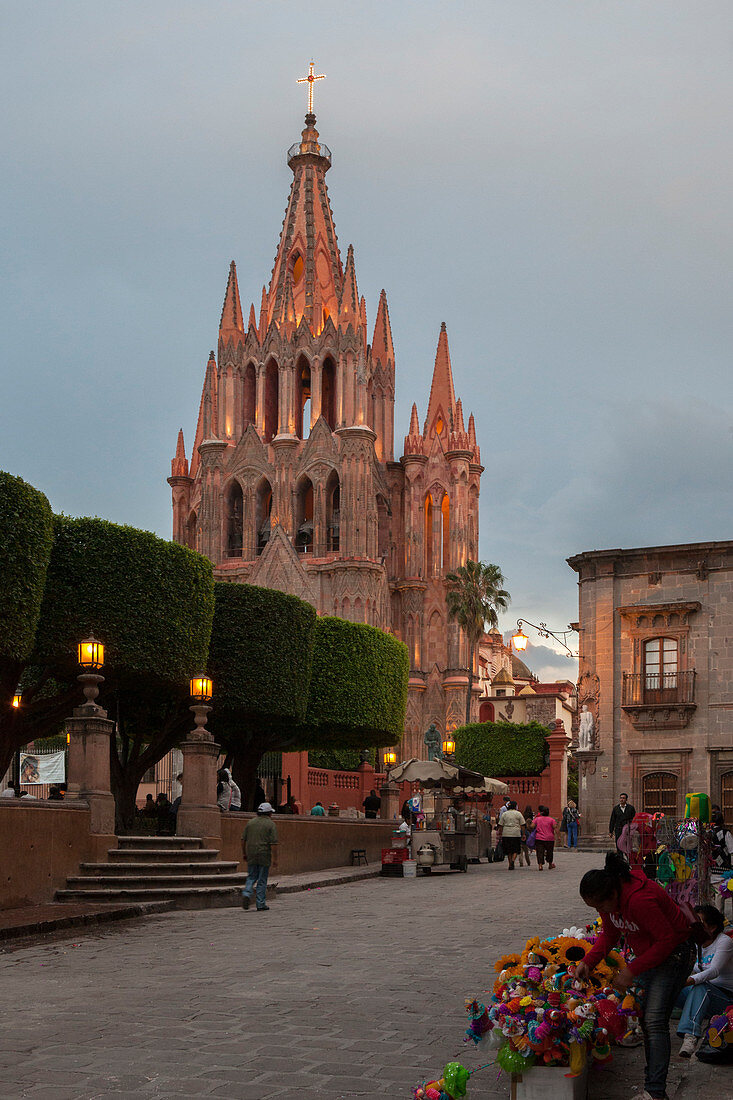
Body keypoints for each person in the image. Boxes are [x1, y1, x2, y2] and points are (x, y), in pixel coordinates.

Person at [576, 851, 695, 1100]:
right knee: (647, 1021)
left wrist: (631, 970)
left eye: (600, 905)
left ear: (613, 894)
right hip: (651, 956)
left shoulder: (640, 900)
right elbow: (610, 934)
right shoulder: (609, 903)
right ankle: (654, 1086)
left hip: (674, 955)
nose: (599, 910)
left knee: (654, 1020)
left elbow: (667, 940)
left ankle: (655, 1092)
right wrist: (588, 961)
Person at [677, 903, 733, 1056]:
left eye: (700, 923)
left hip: (726, 1000)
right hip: (704, 996)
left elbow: (714, 971)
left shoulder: (724, 942)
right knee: (670, 988)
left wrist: (689, 981)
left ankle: (690, 1036)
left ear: (712, 927)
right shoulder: (696, 944)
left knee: (701, 987)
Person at [241, 802, 278, 912]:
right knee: (262, 879)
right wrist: (275, 859)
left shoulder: (250, 823)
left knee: (251, 876)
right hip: (264, 854)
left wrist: (244, 853)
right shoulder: (271, 825)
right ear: (269, 813)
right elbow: (274, 844)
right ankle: (260, 903)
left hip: (251, 853)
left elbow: (243, 840)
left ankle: (247, 892)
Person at [498, 800, 525, 871]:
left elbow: (500, 825)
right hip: (516, 833)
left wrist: (500, 833)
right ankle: (513, 860)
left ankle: (510, 864)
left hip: (506, 833)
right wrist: (524, 834)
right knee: (515, 849)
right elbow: (522, 824)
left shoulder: (505, 814)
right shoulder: (518, 814)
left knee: (508, 850)